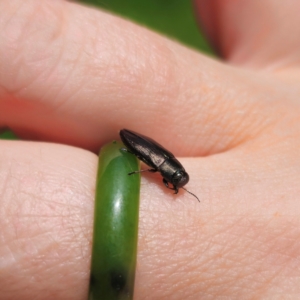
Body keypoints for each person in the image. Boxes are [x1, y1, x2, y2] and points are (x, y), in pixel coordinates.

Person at [1, 0, 300, 298]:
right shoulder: (159, 168)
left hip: (147, 150)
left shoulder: (166, 169)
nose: (174, 184)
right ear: (173, 172)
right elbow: (152, 164)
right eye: (175, 181)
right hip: (140, 145)